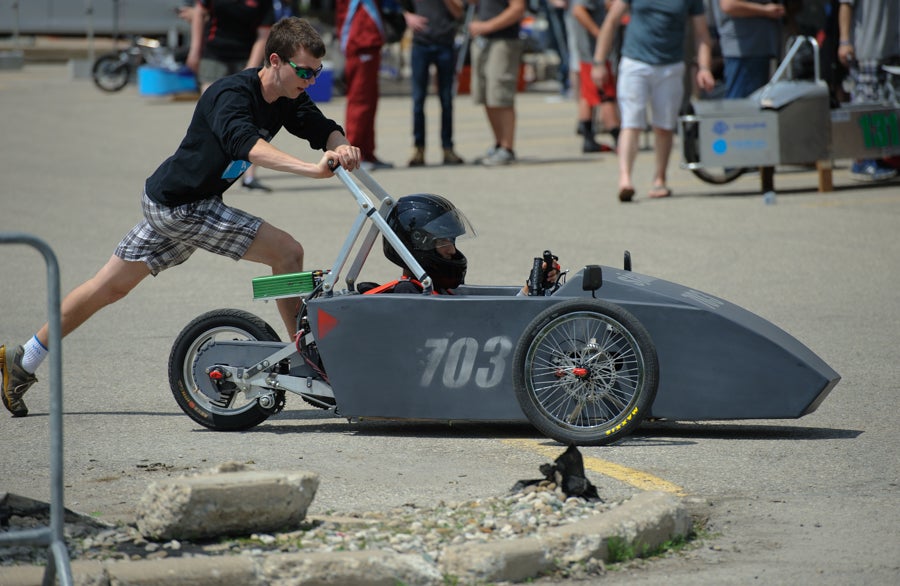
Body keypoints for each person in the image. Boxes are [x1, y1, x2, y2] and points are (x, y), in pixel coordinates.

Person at [0, 17, 362, 418]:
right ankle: (307, 366)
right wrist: (312, 169)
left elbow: (322, 128)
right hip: (181, 207)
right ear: (275, 60)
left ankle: (22, 359)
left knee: (108, 287)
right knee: (287, 252)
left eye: (317, 73)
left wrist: (341, 146)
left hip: (177, 201)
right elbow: (248, 146)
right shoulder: (231, 95)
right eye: (304, 71)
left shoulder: (289, 95)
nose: (310, 81)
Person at [592, 0, 714, 201]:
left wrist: (705, 67)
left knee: (664, 127)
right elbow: (611, 21)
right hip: (635, 62)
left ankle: (660, 178)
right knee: (632, 123)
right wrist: (599, 61)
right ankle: (625, 179)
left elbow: (701, 34)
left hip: (670, 67)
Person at [368, 194, 560, 295]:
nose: (452, 250)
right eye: (443, 242)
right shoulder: (408, 294)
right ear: (418, 246)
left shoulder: (438, 290)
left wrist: (531, 288)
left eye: (452, 240)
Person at [187, 0, 276, 192]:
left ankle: (248, 177)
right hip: (214, 55)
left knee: (249, 119)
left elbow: (264, 33)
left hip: (246, 57)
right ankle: (203, 171)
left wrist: (250, 71)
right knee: (210, 115)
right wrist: (195, 50)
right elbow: (198, 14)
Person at [837, 0, 899, 182]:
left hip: (894, 50)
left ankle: (890, 157)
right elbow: (845, 5)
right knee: (868, 108)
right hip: (868, 49)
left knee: (892, 108)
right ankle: (864, 160)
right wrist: (844, 40)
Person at [404, 0, 467, 167]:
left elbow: (459, 12)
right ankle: (419, 148)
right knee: (418, 100)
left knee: (446, 99)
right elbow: (397, 6)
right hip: (421, 44)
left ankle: (448, 148)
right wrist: (407, 16)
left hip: (445, 44)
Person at [336, 0, 395, 170]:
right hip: (360, 42)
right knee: (359, 102)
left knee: (369, 103)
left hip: (369, 43)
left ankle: (367, 152)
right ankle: (354, 155)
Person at [469, 0, 527, 166]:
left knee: (500, 94)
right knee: (486, 95)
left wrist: (487, 26)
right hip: (483, 40)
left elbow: (518, 8)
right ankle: (498, 144)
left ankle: (507, 148)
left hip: (503, 40)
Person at [569, 0, 621, 153]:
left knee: (587, 94)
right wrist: (599, 34)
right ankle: (617, 135)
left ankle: (588, 137)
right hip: (594, 53)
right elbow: (578, 10)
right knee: (606, 94)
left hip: (591, 52)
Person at [712, 0, 784, 99]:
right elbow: (729, 4)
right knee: (741, 108)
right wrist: (765, 10)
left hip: (757, 50)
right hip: (744, 53)